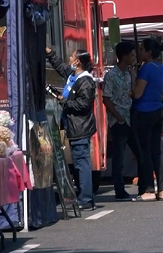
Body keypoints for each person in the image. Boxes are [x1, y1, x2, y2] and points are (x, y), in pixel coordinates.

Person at [46, 46, 97, 209]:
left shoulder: (86, 81)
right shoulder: (73, 76)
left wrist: (63, 100)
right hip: (73, 126)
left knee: (82, 163)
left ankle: (86, 198)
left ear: (78, 62)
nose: (69, 58)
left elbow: (83, 104)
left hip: (80, 127)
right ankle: (82, 195)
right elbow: (60, 66)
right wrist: (49, 53)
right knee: (77, 162)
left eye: (72, 57)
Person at [130, 38, 163, 201]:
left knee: (143, 151)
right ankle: (161, 189)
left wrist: (132, 85)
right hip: (157, 110)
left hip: (143, 111)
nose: (139, 52)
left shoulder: (145, 69)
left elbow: (137, 93)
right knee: (156, 151)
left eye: (141, 49)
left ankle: (147, 189)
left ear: (148, 52)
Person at [102, 41, 137, 201]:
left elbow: (134, 92)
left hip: (130, 117)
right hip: (119, 121)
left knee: (138, 151)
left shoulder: (129, 74)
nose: (133, 57)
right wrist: (118, 117)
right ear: (124, 56)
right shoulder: (111, 75)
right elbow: (106, 98)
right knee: (119, 157)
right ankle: (119, 188)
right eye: (131, 55)